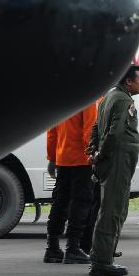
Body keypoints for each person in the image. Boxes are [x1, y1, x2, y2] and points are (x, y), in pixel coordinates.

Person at [88, 64, 139, 276]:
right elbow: (115, 132)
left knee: (109, 209)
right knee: (113, 211)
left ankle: (103, 255)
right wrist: (101, 154)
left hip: (112, 160)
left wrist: (94, 148)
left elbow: (96, 126)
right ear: (128, 81)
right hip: (117, 161)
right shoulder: (123, 100)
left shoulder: (109, 96)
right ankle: (102, 261)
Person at [43, 102, 97, 264]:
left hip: (62, 157)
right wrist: (93, 153)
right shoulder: (89, 98)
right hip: (82, 158)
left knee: (60, 202)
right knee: (81, 202)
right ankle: (73, 247)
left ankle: (52, 247)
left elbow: (51, 131)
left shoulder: (64, 97)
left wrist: (52, 157)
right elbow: (90, 128)